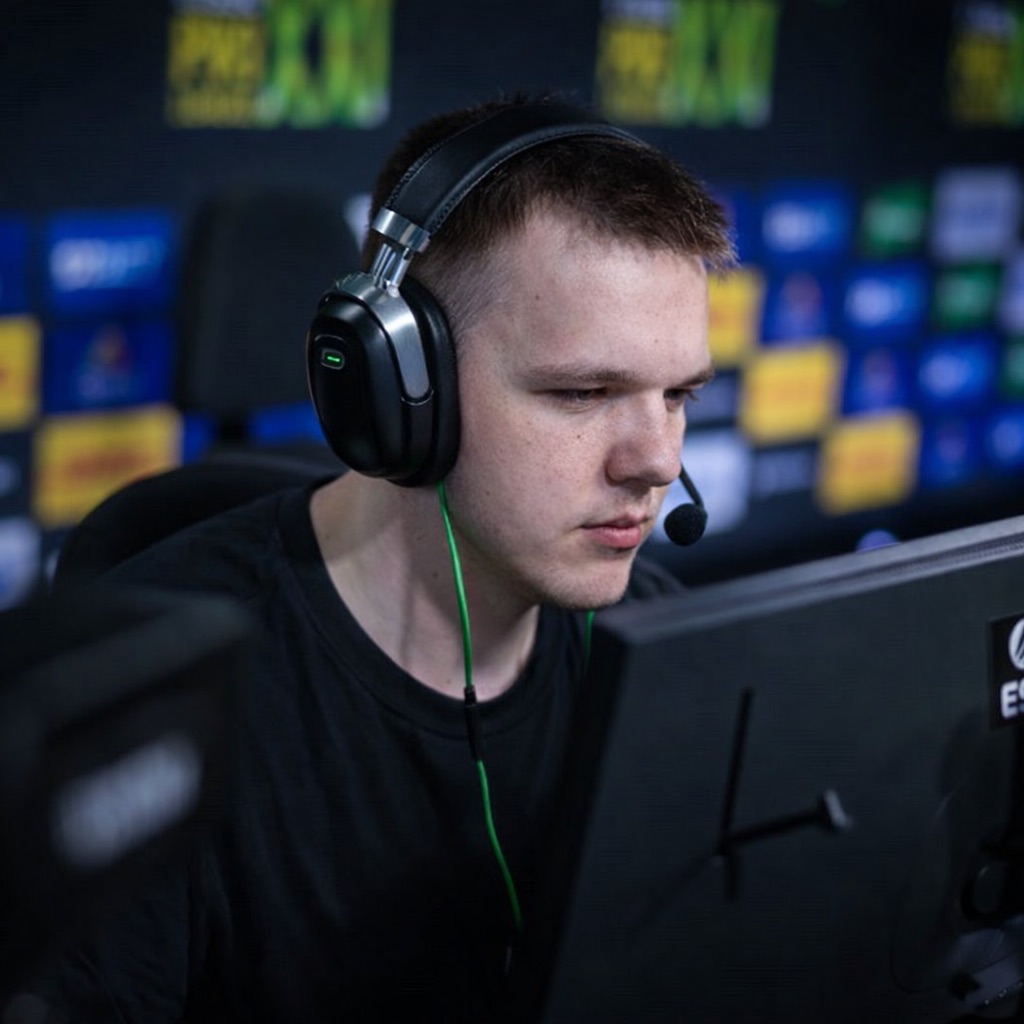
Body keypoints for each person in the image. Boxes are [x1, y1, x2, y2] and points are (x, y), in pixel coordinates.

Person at [12, 94, 734, 1022]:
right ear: (399, 386)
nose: (658, 461)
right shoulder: (146, 722)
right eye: (584, 392)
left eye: (678, 395)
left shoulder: (664, 656)